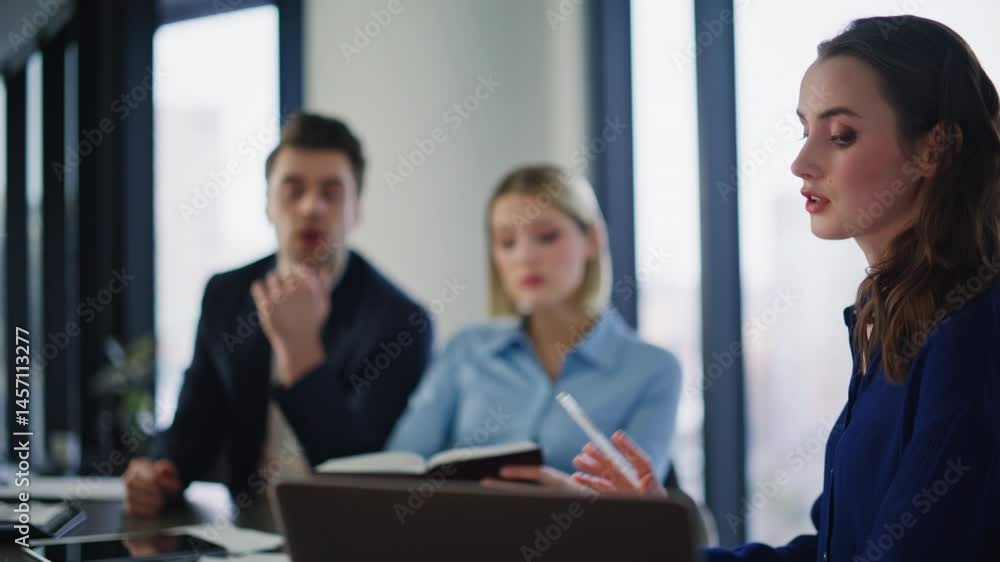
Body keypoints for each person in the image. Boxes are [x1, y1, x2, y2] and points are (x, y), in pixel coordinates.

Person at [571, 15, 1000, 561]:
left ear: (933, 149)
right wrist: (663, 539)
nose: (801, 163)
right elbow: (831, 549)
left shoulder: (970, 330)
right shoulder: (889, 319)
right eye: (805, 131)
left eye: (841, 135)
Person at [123, 113, 434, 516]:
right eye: (293, 190)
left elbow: (361, 474)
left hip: (350, 532)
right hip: (244, 524)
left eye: (331, 193)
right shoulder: (226, 294)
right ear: (268, 204)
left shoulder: (401, 322)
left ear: (356, 209)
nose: (311, 207)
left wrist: (299, 349)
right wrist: (160, 472)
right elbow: (196, 425)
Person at [386, 165, 682, 488]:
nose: (525, 257)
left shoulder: (654, 369)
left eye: (546, 237)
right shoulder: (465, 350)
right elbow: (402, 466)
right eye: (507, 242)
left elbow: (640, 499)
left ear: (593, 238)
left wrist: (576, 501)